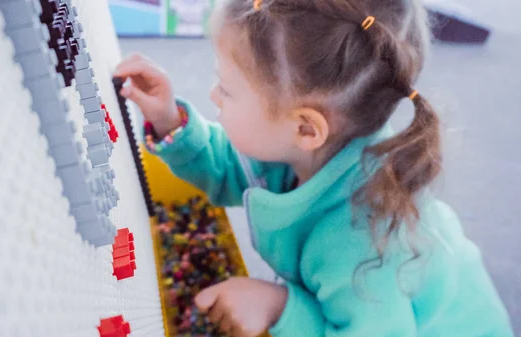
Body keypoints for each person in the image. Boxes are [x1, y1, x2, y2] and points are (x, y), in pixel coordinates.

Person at [114, 0, 513, 336]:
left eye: (228, 90)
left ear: (306, 127)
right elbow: (230, 168)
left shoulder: (361, 251)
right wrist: (171, 122)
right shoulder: (305, 144)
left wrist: (280, 307)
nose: (212, 95)